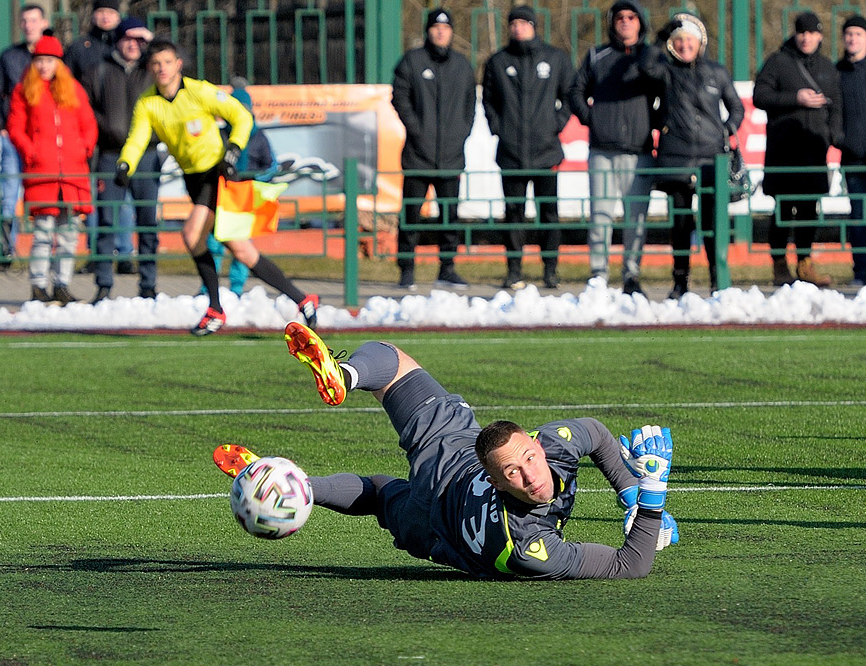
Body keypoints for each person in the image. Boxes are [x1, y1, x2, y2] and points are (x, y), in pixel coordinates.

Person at [215, 322, 678, 581]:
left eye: (530, 459)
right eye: (513, 472)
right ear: (493, 479)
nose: (531, 475)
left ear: (540, 443)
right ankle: (297, 482)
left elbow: (595, 433)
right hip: (438, 527)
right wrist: (649, 495)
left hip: (446, 470)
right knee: (380, 493)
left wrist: (631, 495)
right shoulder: (529, 548)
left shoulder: (551, 448)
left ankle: (294, 481)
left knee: (389, 368)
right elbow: (629, 565)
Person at [117, 40, 318, 336]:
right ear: (150, 67)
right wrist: (125, 164)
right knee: (241, 250)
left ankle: (214, 308)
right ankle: (303, 299)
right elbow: (137, 139)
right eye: (156, 63)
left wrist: (234, 148)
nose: (162, 68)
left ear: (178, 64)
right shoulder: (148, 103)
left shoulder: (199, 91)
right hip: (193, 178)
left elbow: (241, 116)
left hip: (217, 174)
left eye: (167, 62)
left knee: (191, 234)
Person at [638, 14, 744, 299]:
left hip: (712, 159)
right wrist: (660, 38)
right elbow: (645, 66)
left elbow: (736, 106)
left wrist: (727, 129)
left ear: (701, 43)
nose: (685, 46)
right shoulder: (666, 71)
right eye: (679, 41)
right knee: (681, 224)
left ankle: (716, 279)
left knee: (711, 224)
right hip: (675, 158)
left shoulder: (717, 72)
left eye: (690, 40)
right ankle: (680, 283)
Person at [568, 0, 659, 295]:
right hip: (602, 151)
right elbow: (575, 90)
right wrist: (591, 118)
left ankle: (631, 274)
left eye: (631, 17)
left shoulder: (651, 56)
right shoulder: (597, 55)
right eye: (620, 17)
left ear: (640, 22)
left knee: (637, 217)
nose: (625, 21)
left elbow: (668, 90)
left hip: (639, 151)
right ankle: (598, 274)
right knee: (601, 215)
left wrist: (654, 122)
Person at [482, 6, 575, 290]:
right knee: (514, 214)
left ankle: (550, 270)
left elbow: (570, 96)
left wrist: (554, 125)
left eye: (523, 22)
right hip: (511, 153)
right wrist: (500, 128)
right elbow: (489, 101)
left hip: (546, 151)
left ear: (534, 25)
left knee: (549, 214)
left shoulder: (556, 58)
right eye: (513, 23)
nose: (518, 28)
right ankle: (514, 271)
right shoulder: (498, 62)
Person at [7, 33, 98, 304]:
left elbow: (88, 124)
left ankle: (62, 283)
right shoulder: (24, 90)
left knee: (69, 232)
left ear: (59, 63)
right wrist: (30, 150)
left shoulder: (74, 90)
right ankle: (38, 284)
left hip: (72, 172)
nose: (44, 66)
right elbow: (15, 127)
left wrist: (84, 148)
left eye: (50, 60)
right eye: (40, 61)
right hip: (41, 172)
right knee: (44, 231)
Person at [754, 11, 842, 288]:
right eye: (801, 32)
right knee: (783, 210)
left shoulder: (828, 68)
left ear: (820, 36)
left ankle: (805, 264)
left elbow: (837, 107)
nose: (806, 38)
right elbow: (760, 95)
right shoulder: (778, 62)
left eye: (811, 33)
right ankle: (779, 265)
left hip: (814, 153)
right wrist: (796, 98)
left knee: (808, 210)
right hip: (783, 152)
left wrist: (829, 136)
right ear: (795, 34)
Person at [390, 8, 474, 291]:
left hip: (451, 156)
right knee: (411, 215)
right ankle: (407, 270)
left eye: (446, 27)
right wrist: (418, 131)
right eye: (436, 27)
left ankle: (447, 269)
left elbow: (469, 106)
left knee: (450, 216)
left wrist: (459, 134)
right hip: (417, 155)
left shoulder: (462, 65)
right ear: (428, 30)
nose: (441, 32)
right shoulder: (411, 62)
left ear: (452, 31)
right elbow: (400, 99)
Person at [81, 16, 159, 302]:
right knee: (106, 223)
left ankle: (149, 285)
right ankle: (103, 285)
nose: (134, 45)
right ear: (118, 40)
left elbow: (181, 61)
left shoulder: (152, 70)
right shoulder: (98, 70)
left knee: (147, 222)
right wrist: (104, 129)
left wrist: (153, 42)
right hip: (110, 156)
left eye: (140, 40)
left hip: (147, 156)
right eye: (129, 38)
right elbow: (85, 108)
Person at [205, 78, 280, 298]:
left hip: (245, 199)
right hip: (221, 199)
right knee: (214, 244)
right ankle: (208, 288)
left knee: (242, 247)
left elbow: (271, 166)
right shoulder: (220, 134)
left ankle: (236, 289)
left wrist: (255, 179)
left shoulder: (258, 136)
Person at [0, 3, 49, 265]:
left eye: (34, 20)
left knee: (43, 195)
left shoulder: (53, 56)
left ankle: (44, 249)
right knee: (9, 195)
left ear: (43, 23)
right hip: (13, 138)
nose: (29, 25)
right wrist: (0, 127)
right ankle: (6, 250)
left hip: (43, 138)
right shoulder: (9, 57)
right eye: (25, 21)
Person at [838, 15, 866, 287]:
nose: (853, 38)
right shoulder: (837, 72)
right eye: (849, 34)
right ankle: (861, 273)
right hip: (853, 160)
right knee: (858, 218)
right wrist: (841, 140)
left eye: (858, 33)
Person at [65, 0, 121, 81]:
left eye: (110, 12)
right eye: (101, 12)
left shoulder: (123, 46)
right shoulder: (78, 46)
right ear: (93, 15)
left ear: (118, 17)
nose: (105, 16)